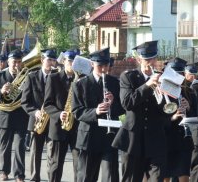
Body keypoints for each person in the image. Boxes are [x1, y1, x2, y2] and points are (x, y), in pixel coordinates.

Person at [112, 40, 172, 182]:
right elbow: (127, 103)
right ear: (139, 60)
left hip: (156, 138)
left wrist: (164, 93)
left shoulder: (164, 78)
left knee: (157, 178)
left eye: (153, 58)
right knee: (131, 178)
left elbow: (168, 110)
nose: (150, 62)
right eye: (147, 59)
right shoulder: (128, 77)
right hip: (134, 139)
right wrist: (147, 86)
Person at [72, 47, 124, 182]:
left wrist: (113, 103)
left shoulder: (115, 83)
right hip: (88, 136)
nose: (103, 69)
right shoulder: (80, 84)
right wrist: (95, 111)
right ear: (91, 64)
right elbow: (77, 111)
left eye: (106, 65)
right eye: (100, 65)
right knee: (86, 176)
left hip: (109, 136)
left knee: (111, 175)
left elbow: (122, 109)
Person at [0, 50, 29, 182]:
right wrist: (1, 91)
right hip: (5, 116)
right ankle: (4, 171)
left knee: (20, 146)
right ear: (8, 62)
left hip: (21, 115)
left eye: (19, 62)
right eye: (14, 62)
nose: (16, 65)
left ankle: (19, 174)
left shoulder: (26, 76)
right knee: (5, 145)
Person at [43, 49, 80, 182]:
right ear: (64, 62)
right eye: (70, 61)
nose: (72, 63)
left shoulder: (81, 79)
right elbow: (47, 104)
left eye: (75, 61)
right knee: (56, 164)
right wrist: (59, 114)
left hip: (76, 127)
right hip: (58, 127)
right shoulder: (53, 78)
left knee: (79, 165)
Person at [21, 49, 57, 182]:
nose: (52, 63)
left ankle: (51, 178)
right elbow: (25, 101)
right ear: (42, 60)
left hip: (53, 120)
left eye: (53, 60)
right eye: (49, 60)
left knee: (52, 152)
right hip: (37, 120)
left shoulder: (57, 76)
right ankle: (35, 177)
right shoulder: (31, 76)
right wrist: (35, 112)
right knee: (35, 151)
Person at [163, 58, 196, 182]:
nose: (178, 77)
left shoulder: (189, 92)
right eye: (175, 74)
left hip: (184, 140)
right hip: (167, 139)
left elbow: (196, 116)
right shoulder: (162, 91)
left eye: (181, 74)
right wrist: (173, 117)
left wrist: (188, 108)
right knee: (165, 176)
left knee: (184, 175)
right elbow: (157, 117)